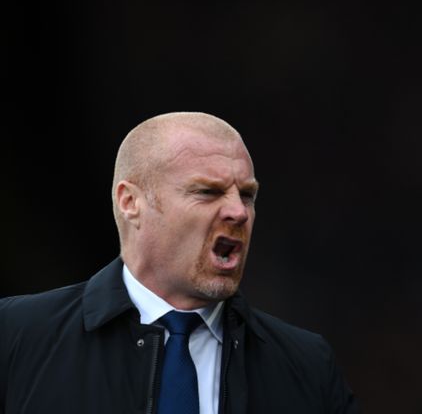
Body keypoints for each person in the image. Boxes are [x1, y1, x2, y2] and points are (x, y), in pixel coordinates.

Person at [0, 112, 361, 413]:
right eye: (207, 191)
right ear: (131, 202)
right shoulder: (17, 335)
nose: (239, 211)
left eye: (247, 195)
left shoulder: (307, 365)